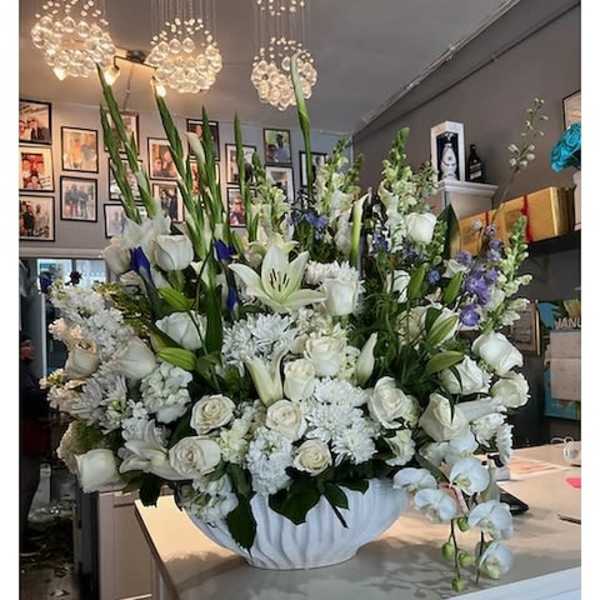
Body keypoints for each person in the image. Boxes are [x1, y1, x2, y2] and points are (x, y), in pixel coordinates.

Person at [20, 333, 49, 555]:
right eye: (25, 345)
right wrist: (49, 391)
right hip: (24, 436)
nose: (31, 349)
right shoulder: (19, 372)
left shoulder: (24, 370)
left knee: (28, 483)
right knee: (25, 485)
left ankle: (22, 529)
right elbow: (29, 399)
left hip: (27, 435)